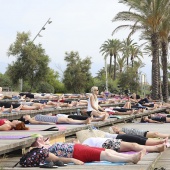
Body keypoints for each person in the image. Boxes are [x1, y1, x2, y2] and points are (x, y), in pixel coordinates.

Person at [40, 142, 146, 164]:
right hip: (77, 153)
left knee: (108, 151)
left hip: (78, 147)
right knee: (106, 155)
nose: (41, 138)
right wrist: (72, 160)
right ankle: (131, 159)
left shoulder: (46, 146)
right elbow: (55, 159)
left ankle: (132, 156)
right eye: (39, 139)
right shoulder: (43, 152)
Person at [73, 137, 165, 153]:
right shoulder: (82, 146)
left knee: (133, 145)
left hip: (109, 142)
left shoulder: (85, 141)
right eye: (73, 142)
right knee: (133, 146)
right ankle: (156, 148)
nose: (75, 141)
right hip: (106, 144)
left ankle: (155, 148)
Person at [19, 113, 93, 125]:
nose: (26, 115)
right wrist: (49, 123)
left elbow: (42, 117)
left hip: (52, 118)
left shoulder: (33, 117)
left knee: (69, 120)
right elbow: (39, 122)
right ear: (25, 119)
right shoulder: (31, 120)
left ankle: (83, 121)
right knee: (68, 120)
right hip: (52, 120)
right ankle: (84, 121)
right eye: (24, 116)